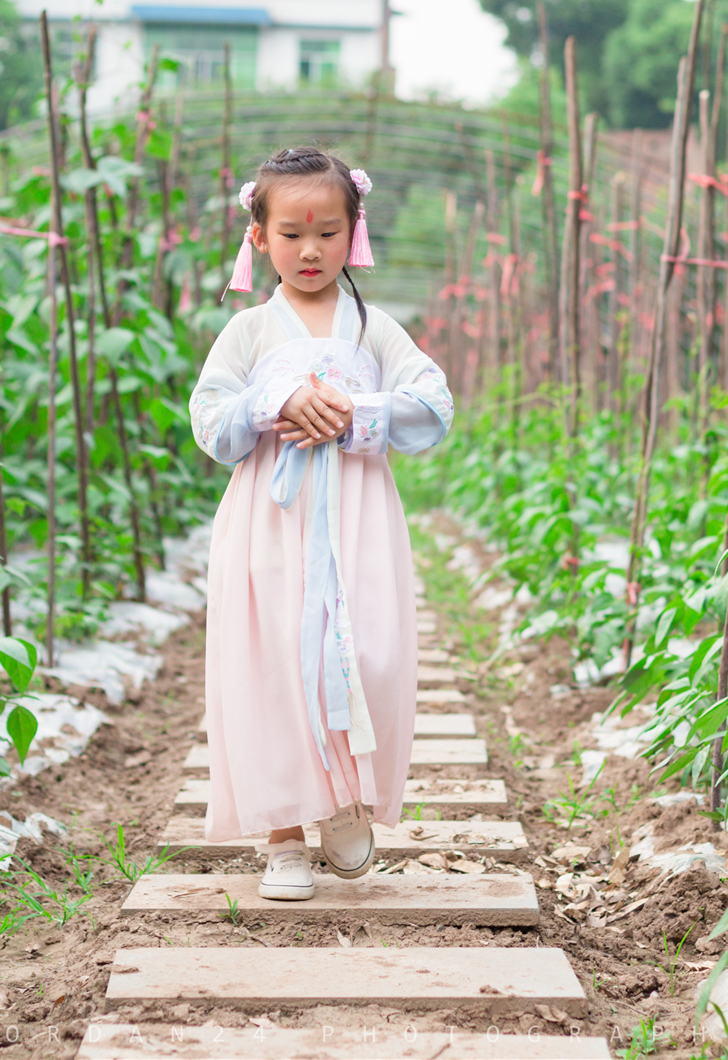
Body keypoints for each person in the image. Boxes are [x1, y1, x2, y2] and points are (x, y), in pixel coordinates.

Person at [188, 146, 453, 901]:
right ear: (258, 237)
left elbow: (433, 407)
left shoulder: (375, 330)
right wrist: (272, 406)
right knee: (274, 664)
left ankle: (343, 799)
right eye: (293, 233)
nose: (311, 251)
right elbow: (211, 425)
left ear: (354, 232)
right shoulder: (247, 332)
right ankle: (284, 838)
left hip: (360, 523)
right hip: (268, 528)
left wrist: (351, 414)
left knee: (364, 653)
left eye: (329, 232)